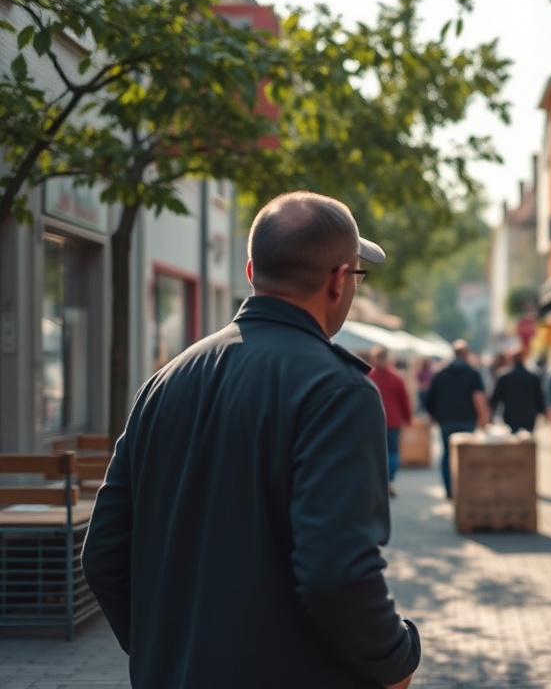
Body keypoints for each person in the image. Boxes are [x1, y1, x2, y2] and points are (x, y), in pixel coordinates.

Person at [82, 192, 419, 689]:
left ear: (250, 271)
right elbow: (337, 573)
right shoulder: (337, 391)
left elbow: (103, 555)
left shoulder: (164, 383)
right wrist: (395, 658)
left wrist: (165, 647)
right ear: (340, 281)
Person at [424, 339, 490, 499]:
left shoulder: (440, 374)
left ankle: (450, 490)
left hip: (445, 421)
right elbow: (479, 398)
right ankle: (465, 490)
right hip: (467, 420)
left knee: (447, 454)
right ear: (466, 354)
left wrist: (434, 415)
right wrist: (484, 419)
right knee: (467, 455)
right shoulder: (473, 373)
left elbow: (429, 398)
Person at [369, 345, 413, 498]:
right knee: (393, 452)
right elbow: (404, 401)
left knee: (375, 453)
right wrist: (408, 419)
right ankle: (389, 481)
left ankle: (379, 482)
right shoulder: (396, 377)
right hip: (393, 420)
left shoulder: (367, 376)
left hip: (373, 421)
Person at [489, 349, 546, 435]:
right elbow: (539, 397)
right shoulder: (533, 377)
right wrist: (541, 411)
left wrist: (491, 414)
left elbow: (495, 398)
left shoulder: (504, 377)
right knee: (527, 442)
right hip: (529, 416)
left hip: (510, 416)